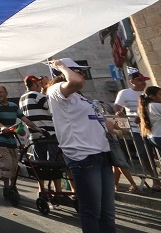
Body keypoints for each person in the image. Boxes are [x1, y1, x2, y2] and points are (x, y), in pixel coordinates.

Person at [48, 58, 116, 232]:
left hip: (102, 155)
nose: (83, 74)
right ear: (64, 73)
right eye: (78, 70)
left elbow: (92, 120)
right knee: (92, 212)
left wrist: (109, 125)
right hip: (83, 157)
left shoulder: (79, 97)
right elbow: (76, 81)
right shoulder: (56, 90)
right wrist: (60, 65)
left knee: (107, 212)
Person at [0, 85, 43, 203]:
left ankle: (12, 186)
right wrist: (2, 127)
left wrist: (35, 127)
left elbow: (24, 118)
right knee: (6, 163)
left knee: (15, 164)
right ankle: (6, 188)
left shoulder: (14, 107)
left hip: (12, 139)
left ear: (6, 93)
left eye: (0, 92)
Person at [114, 69, 161, 190]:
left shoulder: (148, 92)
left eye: (144, 80)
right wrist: (118, 112)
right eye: (140, 80)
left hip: (153, 129)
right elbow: (117, 106)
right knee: (145, 155)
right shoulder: (124, 93)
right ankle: (155, 179)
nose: (143, 83)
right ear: (132, 81)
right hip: (136, 129)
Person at [20, 75, 63, 196]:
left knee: (40, 165)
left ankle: (41, 190)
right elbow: (52, 108)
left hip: (35, 136)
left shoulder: (22, 98)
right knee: (54, 164)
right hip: (48, 135)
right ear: (34, 85)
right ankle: (58, 191)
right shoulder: (37, 96)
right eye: (39, 83)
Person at [139, 85, 161, 152]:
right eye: (160, 94)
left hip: (153, 136)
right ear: (152, 96)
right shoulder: (156, 106)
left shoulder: (145, 106)